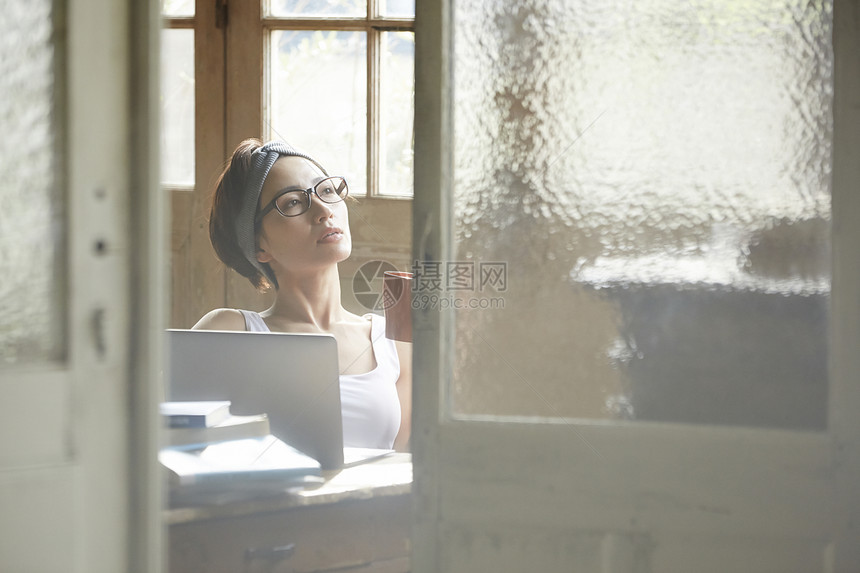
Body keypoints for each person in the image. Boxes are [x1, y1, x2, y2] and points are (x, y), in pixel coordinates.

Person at [193, 139, 411, 452]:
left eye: (326, 190)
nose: (324, 211)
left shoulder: (393, 337)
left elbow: (407, 463)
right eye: (293, 202)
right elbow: (164, 435)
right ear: (259, 246)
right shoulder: (229, 332)